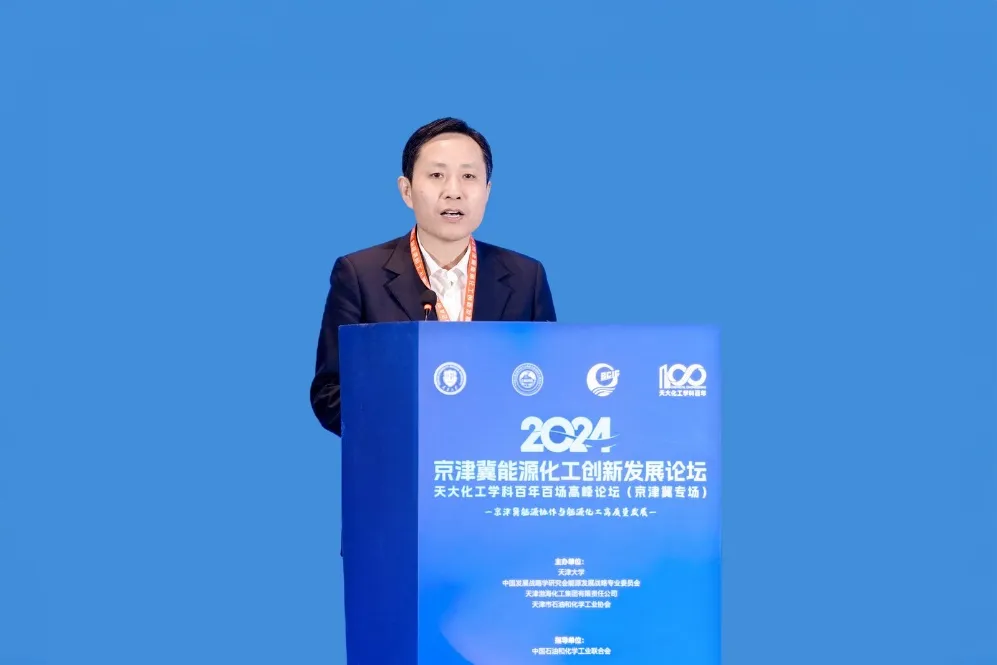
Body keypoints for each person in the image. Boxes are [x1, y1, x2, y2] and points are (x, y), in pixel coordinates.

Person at [309, 117, 557, 436]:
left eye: (468, 176)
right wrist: (413, 429)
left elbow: (550, 381)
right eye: (437, 175)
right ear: (407, 190)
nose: (453, 192)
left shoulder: (526, 276)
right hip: (402, 457)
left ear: (487, 191)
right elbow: (330, 393)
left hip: (496, 459)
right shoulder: (359, 274)